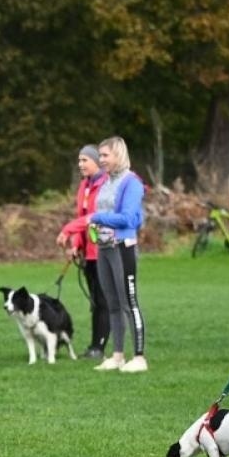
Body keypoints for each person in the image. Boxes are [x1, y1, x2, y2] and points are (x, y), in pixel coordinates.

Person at [86, 136, 147, 373]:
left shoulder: (131, 183)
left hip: (123, 247)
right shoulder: (105, 182)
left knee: (129, 302)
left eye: (104, 155)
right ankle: (118, 354)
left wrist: (98, 218)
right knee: (111, 303)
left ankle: (139, 357)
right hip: (104, 248)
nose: (100, 160)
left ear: (118, 155)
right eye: (99, 155)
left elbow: (130, 218)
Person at [57, 144, 109, 359]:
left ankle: (100, 346)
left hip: (104, 251)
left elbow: (93, 219)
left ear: (96, 161)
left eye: (84, 160)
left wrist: (68, 231)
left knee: (104, 301)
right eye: (79, 160)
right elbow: (82, 219)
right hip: (88, 253)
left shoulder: (107, 185)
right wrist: (76, 246)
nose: (80, 164)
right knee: (95, 301)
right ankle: (94, 345)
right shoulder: (84, 187)